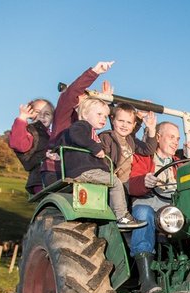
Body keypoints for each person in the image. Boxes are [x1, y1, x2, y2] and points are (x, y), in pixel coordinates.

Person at [55, 97, 145, 229]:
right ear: (85, 114)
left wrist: (55, 151)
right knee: (115, 182)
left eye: (105, 116)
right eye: (99, 114)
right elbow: (75, 134)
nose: (103, 119)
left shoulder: (89, 132)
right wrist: (95, 148)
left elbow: (65, 138)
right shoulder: (82, 126)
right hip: (85, 171)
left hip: (87, 170)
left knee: (113, 182)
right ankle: (122, 216)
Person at [127, 121, 188, 293]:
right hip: (148, 201)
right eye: (171, 137)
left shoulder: (178, 163)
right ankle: (146, 279)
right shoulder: (145, 158)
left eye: (177, 138)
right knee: (143, 213)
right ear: (158, 137)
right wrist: (144, 181)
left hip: (171, 208)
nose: (175, 142)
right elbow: (132, 184)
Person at [42, 61, 115, 186]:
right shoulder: (64, 117)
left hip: (78, 169)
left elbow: (96, 116)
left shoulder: (86, 123)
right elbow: (71, 94)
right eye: (82, 95)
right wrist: (95, 72)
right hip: (57, 171)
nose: (83, 99)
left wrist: (104, 103)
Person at [99, 103, 157, 189]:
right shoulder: (107, 136)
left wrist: (152, 130)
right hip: (113, 183)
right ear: (112, 120)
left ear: (134, 125)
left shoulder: (131, 140)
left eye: (129, 122)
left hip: (128, 184)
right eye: (121, 121)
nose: (124, 125)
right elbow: (103, 159)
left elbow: (148, 150)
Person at [8, 98, 55, 194]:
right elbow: (18, 144)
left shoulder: (53, 134)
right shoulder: (30, 131)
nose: (42, 116)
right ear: (30, 113)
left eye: (47, 114)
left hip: (55, 176)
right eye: (38, 112)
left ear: (53, 118)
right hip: (40, 179)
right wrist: (22, 117)